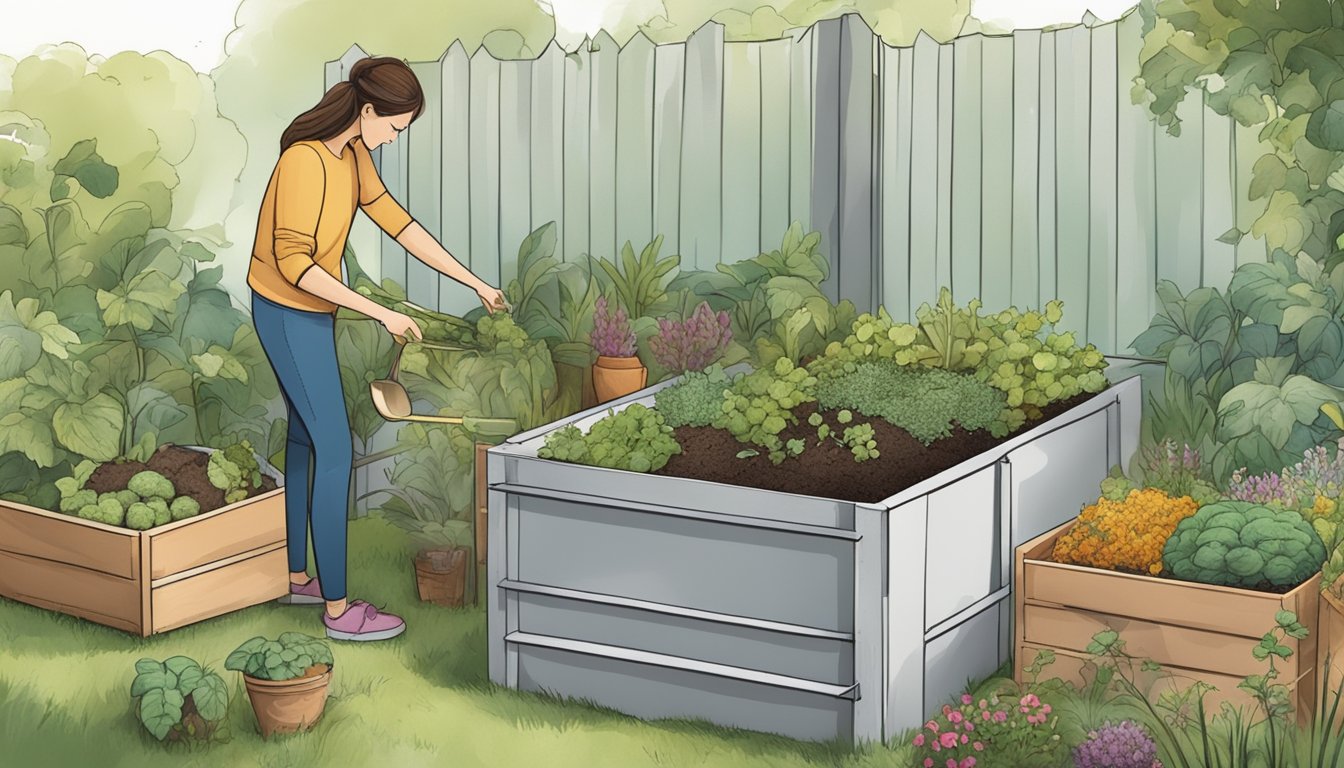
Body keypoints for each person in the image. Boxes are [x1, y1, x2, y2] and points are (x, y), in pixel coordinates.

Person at [247, 56, 507, 642]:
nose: (393, 138)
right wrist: (380, 310)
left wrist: (474, 283)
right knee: (334, 446)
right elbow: (295, 266)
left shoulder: (352, 157)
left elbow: (400, 224)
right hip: (287, 310)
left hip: (311, 314)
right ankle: (338, 610)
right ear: (367, 110)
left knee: (304, 441)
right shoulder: (304, 162)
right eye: (393, 127)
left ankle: (295, 577)